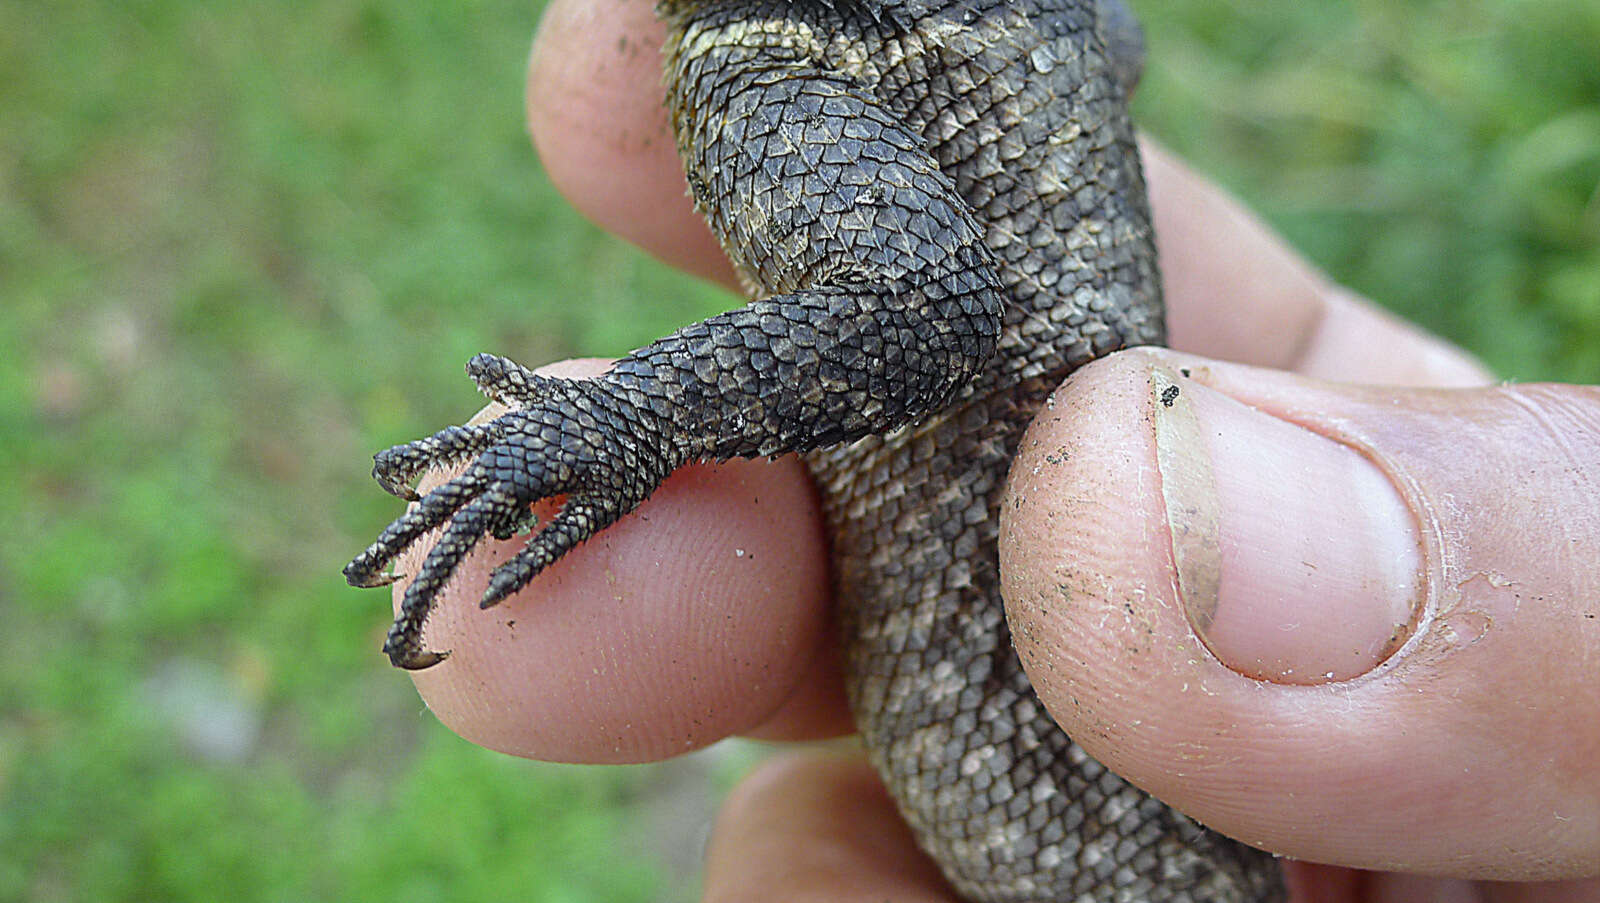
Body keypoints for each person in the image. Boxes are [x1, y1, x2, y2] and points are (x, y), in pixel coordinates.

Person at [391, 2, 1600, 899]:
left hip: (1092, 762)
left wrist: (618, 420)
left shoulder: (768, 52)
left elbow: (920, 309)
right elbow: (1110, 45)